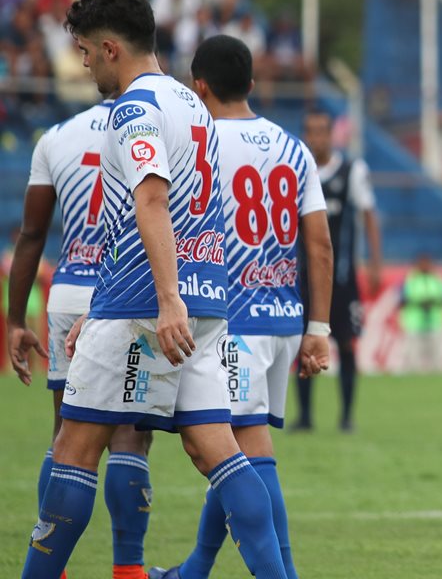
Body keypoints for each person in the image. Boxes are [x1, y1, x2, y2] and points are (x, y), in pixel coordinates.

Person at [20, 0, 289, 578]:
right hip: (207, 296)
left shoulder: (135, 108)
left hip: (146, 304)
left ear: (112, 48)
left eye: (87, 52)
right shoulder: (194, 105)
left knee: (74, 448)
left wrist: (164, 300)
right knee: (215, 446)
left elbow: (150, 197)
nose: (84, 64)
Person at [150, 35, 333, 578]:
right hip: (283, 317)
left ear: (197, 86)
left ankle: (282, 574)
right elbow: (318, 243)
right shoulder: (293, 147)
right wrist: (317, 327)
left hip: (233, 320)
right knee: (243, 451)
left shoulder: (198, 142)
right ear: (252, 84)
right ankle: (194, 570)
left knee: (237, 456)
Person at [7, 95, 158, 579]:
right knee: (130, 438)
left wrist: (14, 319)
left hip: (71, 290)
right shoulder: (154, 121)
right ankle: (129, 571)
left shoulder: (56, 137)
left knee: (65, 437)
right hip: (131, 290)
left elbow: (32, 234)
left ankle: (54, 570)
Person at [293, 109, 382, 432]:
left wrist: (374, 263)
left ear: (331, 134)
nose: (315, 138)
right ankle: (304, 417)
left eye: (321, 131)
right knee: (303, 342)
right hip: (301, 278)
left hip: (342, 279)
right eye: (310, 131)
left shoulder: (352, 170)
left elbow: (370, 215)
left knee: (346, 344)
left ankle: (346, 416)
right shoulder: (297, 168)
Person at [398, 253, 442, 374]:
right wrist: (419, 302)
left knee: (438, 360)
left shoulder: (438, 279)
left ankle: (438, 387)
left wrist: (432, 302)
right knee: (413, 360)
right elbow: (401, 301)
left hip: (435, 322)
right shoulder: (409, 279)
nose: (425, 266)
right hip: (414, 323)